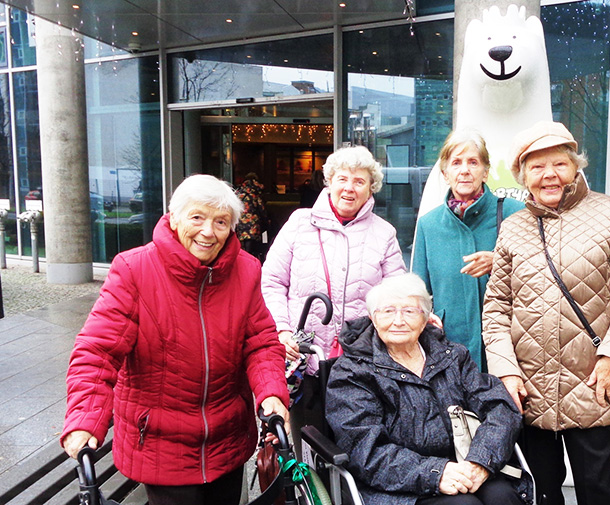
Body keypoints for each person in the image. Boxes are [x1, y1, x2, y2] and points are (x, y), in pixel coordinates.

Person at [61, 174, 290, 505]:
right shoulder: (134, 269)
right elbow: (97, 352)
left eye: (221, 221)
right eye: (197, 217)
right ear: (174, 217)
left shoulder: (246, 269)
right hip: (159, 444)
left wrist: (271, 393)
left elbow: (261, 342)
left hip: (227, 438)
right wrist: (84, 419)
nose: (208, 231)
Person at [482, 121, 610, 505]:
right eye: (537, 167)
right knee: (540, 490)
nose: (549, 175)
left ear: (576, 166)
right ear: (523, 175)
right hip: (530, 385)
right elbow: (496, 307)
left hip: (594, 380)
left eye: (559, 164)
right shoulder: (512, 228)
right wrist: (505, 371)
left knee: (598, 488)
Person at [326, 273, 530, 505]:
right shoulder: (353, 371)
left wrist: (480, 462)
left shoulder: (452, 356)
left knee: (503, 498)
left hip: (466, 464)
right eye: (388, 311)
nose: (399, 320)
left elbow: (500, 408)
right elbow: (364, 448)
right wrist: (436, 473)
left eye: (410, 311)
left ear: (425, 320)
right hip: (396, 484)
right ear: (373, 318)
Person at [261, 145, 406, 371]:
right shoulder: (299, 223)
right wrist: (281, 329)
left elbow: (398, 295)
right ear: (330, 181)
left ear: (371, 188)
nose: (349, 188)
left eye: (359, 182)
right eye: (342, 179)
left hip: (361, 360)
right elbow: (271, 282)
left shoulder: (384, 233)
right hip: (302, 356)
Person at [412, 129, 524, 370]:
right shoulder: (428, 224)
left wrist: (499, 262)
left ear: (485, 172)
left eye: (473, 162)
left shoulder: (515, 212)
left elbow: (544, 271)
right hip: (448, 348)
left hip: (508, 348)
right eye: (456, 163)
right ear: (445, 173)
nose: (464, 170)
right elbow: (418, 292)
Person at [234, 172, 269, 260]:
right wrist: (266, 219)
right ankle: (250, 260)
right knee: (251, 243)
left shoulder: (239, 191)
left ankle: (242, 259)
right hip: (253, 222)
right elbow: (261, 208)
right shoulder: (255, 192)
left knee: (243, 241)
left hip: (241, 221)